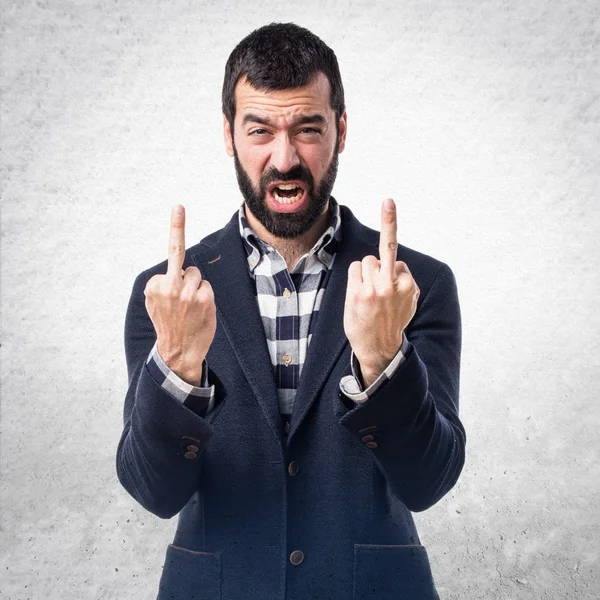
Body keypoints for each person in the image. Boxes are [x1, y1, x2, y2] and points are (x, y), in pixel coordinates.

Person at [117, 22, 465, 600]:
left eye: (307, 129)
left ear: (341, 130)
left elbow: (429, 481)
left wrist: (383, 360)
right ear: (228, 135)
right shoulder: (166, 296)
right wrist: (177, 366)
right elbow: (154, 493)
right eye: (260, 131)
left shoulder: (416, 285)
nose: (284, 159)